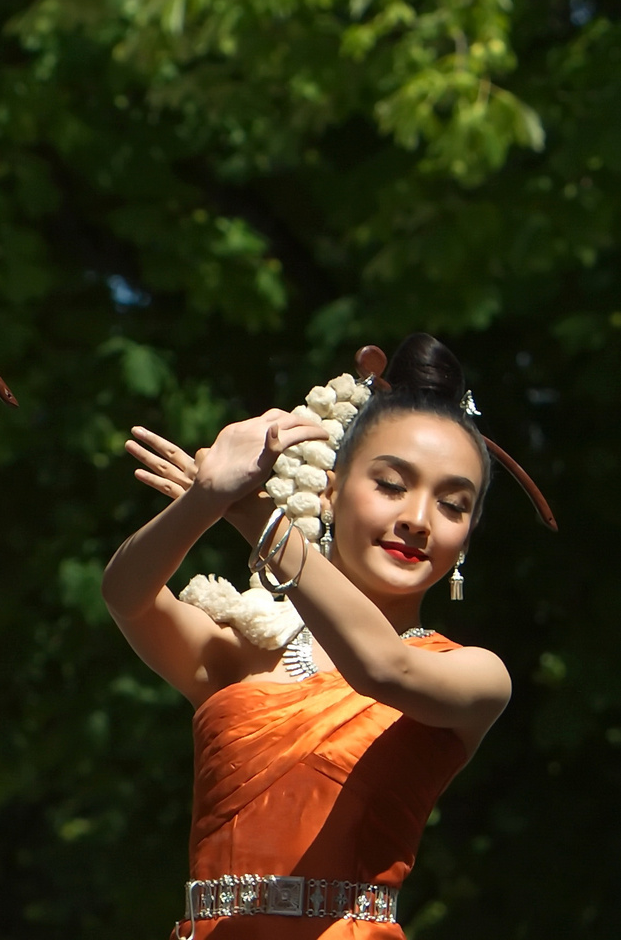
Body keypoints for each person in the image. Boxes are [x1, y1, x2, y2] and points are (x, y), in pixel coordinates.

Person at [103, 334, 529, 937]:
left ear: (468, 537)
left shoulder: (474, 676)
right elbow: (127, 596)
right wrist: (206, 497)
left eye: (453, 504)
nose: (417, 517)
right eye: (391, 484)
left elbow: (382, 669)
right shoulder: (249, 649)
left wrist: (256, 520)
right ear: (330, 491)